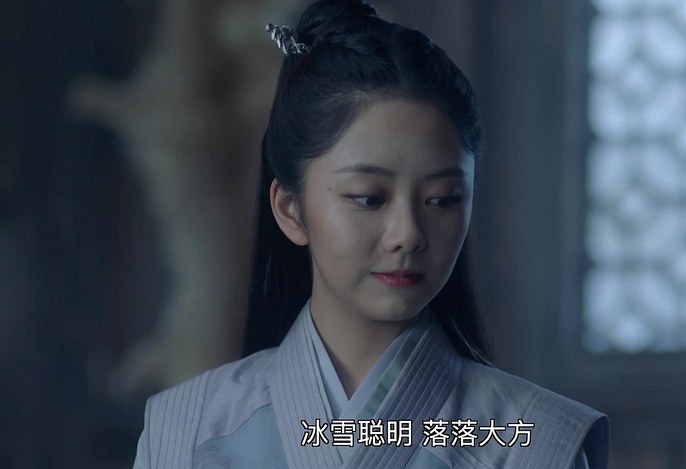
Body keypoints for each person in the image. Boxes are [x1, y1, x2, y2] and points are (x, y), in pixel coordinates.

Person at [132, 1, 609, 467]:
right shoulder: (186, 432)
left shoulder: (534, 442)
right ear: (290, 209)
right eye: (368, 198)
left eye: (442, 199)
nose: (408, 234)